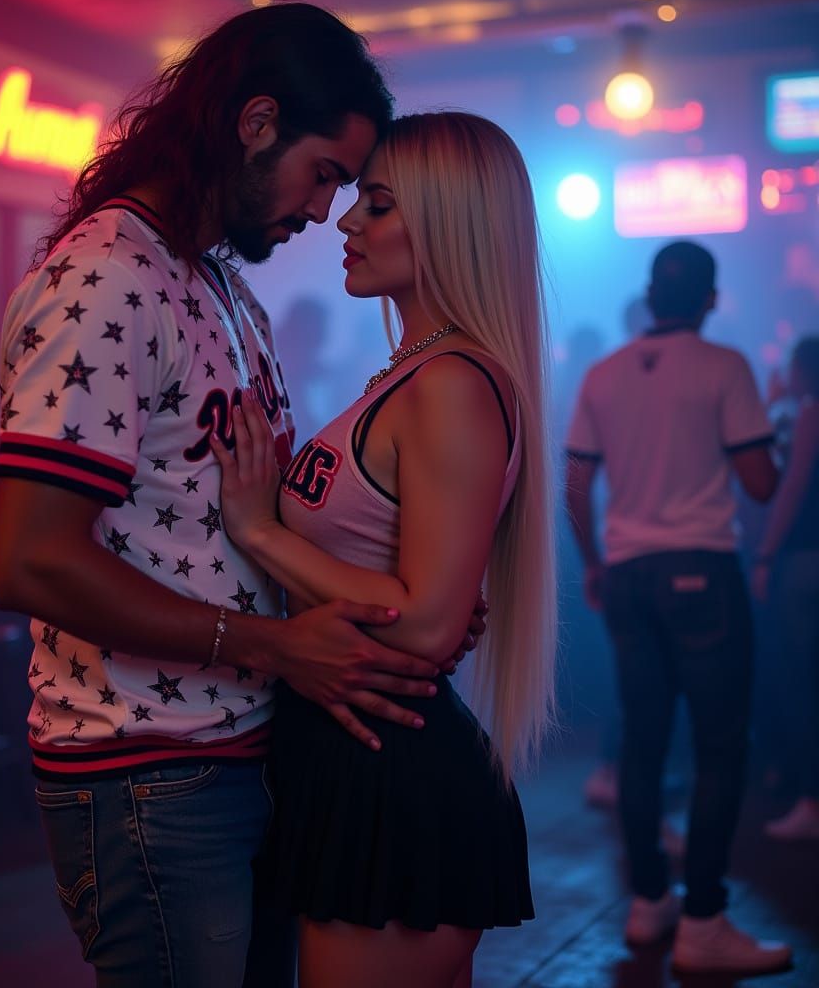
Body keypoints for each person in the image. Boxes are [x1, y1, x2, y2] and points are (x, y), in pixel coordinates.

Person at [0, 5, 485, 988]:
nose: (325, 211)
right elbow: (28, 559)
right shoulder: (107, 274)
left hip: (232, 750)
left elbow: (214, 525)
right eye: (325, 174)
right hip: (148, 766)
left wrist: (394, 604)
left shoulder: (212, 279)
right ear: (256, 124)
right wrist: (271, 644)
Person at [210, 111, 556, 988]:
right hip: (353, 757)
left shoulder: (451, 382)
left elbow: (430, 624)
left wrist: (259, 529)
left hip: (390, 770)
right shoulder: (417, 371)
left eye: (380, 204)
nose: (346, 222)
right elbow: (420, 597)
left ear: (452, 224)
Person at [564, 241, 792, 974]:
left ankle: (649, 901)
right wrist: (775, 422)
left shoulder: (603, 374)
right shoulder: (725, 367)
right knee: (721, 746)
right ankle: (704, 921)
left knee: (642, 740)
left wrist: (594, 562)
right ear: (710, 299)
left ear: (652, 293)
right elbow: (761, 483)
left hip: (629, 574)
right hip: (702, 570)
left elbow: (575, 484)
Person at [752, 335, 819, 841]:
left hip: (802, 560)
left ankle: (810, 801)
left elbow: (789, 488)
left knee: (800, 680)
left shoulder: (811, 413)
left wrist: (765, 555)